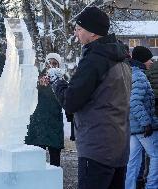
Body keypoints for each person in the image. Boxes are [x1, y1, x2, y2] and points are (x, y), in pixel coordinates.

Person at [43, 7, 132, 189]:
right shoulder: (121, 58)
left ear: (92, 32)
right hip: (119, 146)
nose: (76, 34)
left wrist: (56, 80)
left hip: (97, 148)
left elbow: (71, 101)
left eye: (79, 29)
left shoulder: (95, 60)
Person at [125, 46, 158, 189]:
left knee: (133, 162)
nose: (151, 62)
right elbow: (134, 101)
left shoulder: (132, 73)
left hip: (133, 128)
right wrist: (146, 123)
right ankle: (152, 186)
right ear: (143, 60)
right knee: (156, 156)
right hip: (142, 128)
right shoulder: (139, 76)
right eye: (149, 59)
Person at [25, 53, 64, 167]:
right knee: (36, 159)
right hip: (39, 123)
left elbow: (65, 99)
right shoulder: (37, 78)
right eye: (49, 63)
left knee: (55, 160)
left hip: (54, 123)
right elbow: (29, 94)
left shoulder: (62, 80)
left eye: (54, 63)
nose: (51, 66)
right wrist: (39, 85)